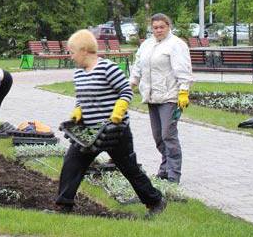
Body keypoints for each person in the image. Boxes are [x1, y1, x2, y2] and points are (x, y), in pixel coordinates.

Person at [57, 30, 166, 216]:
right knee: (72, 164)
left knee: (129, 168)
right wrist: (77, 111)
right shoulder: (78, 74)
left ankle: (155, 201)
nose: (70, 56)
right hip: (90, 133)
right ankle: (64, 206)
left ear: (84, 50)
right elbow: (82, 99)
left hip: (115, 131)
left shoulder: (108, 68)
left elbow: (126, 91)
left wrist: (118, 111)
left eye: (72, 51)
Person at [130, 13, 193, 183]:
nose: (158, 30)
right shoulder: (147, 45)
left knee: (168, 135)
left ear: (168, 26)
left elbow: (183, 69)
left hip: (170, 97)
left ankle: (173, 175)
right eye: (155, 27)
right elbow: (138, 66)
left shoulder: (176, 45)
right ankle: (164, 169)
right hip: (152, 96)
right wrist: (132, 83)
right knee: (158, 137)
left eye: (161, 27)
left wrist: (183, 91)